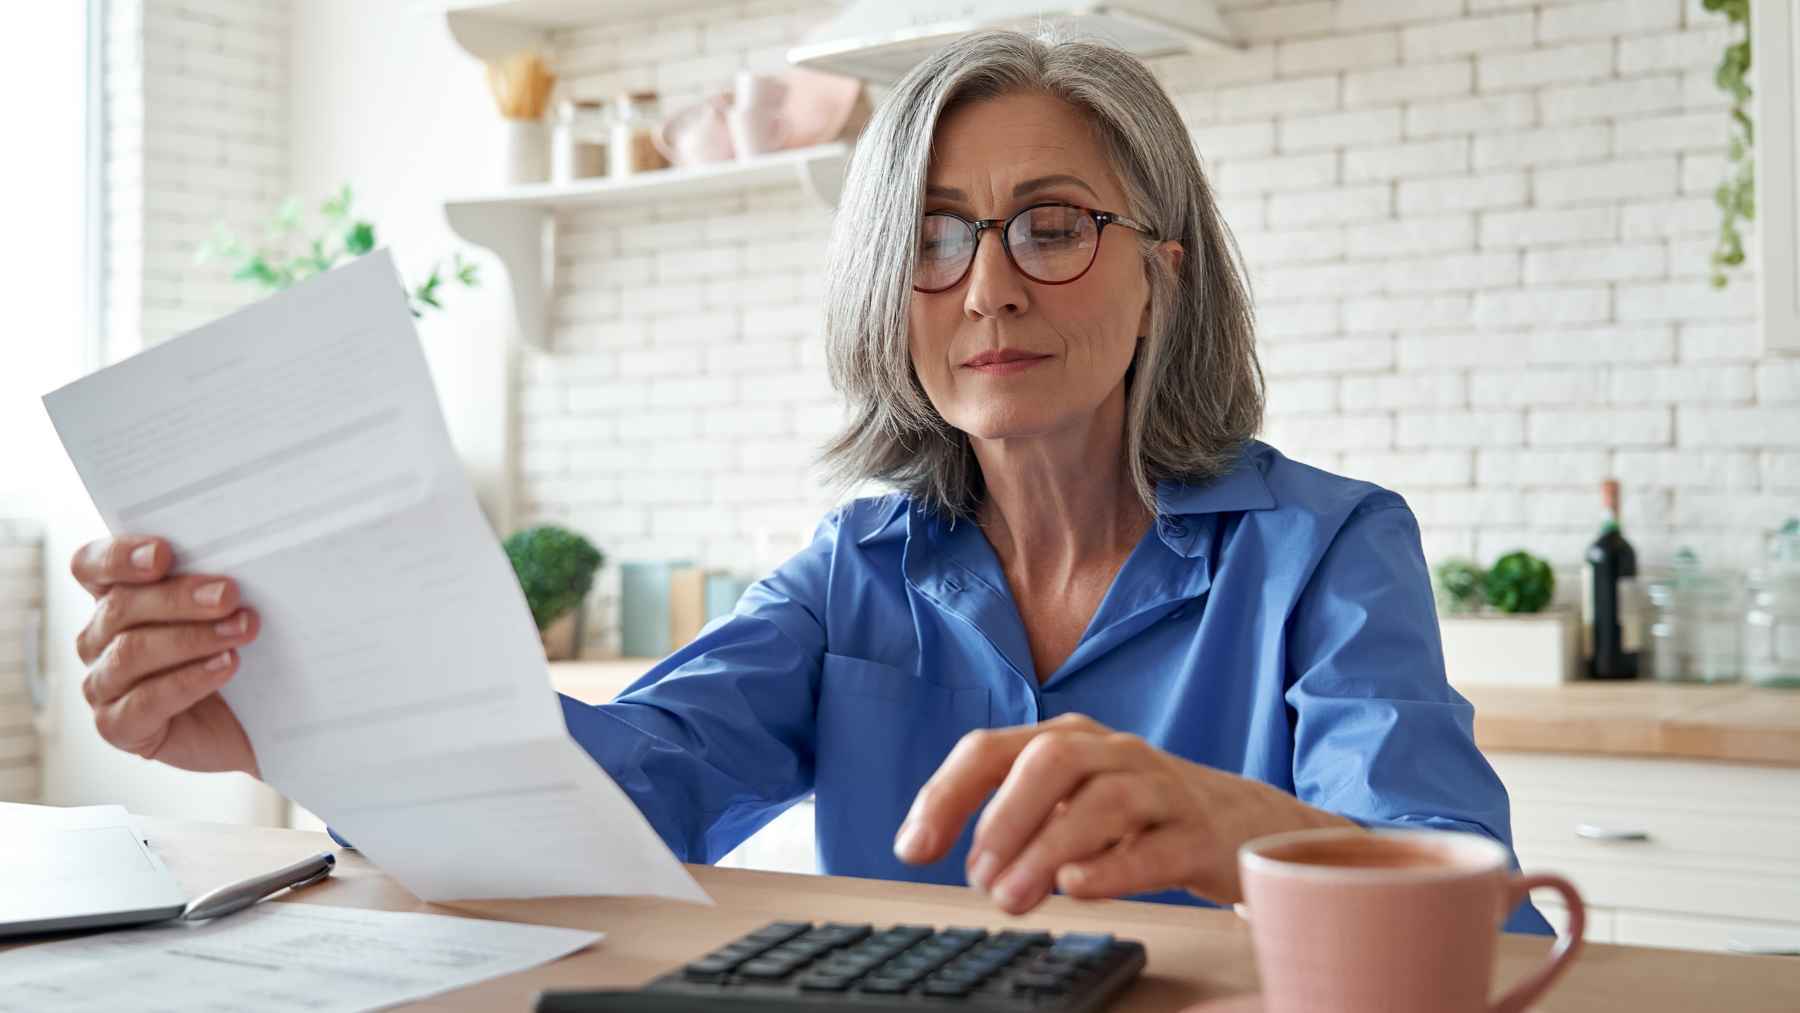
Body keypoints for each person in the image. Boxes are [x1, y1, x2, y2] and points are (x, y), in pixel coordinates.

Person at [69, 29, 1549, 933]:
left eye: (1049, 226)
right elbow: (614, 797)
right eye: (933, 235)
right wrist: (292, 717)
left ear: (1159, 275)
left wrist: (1232, 826)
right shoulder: (858, 570)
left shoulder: (1327, 550)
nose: (986, 288)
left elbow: (1471, 899)